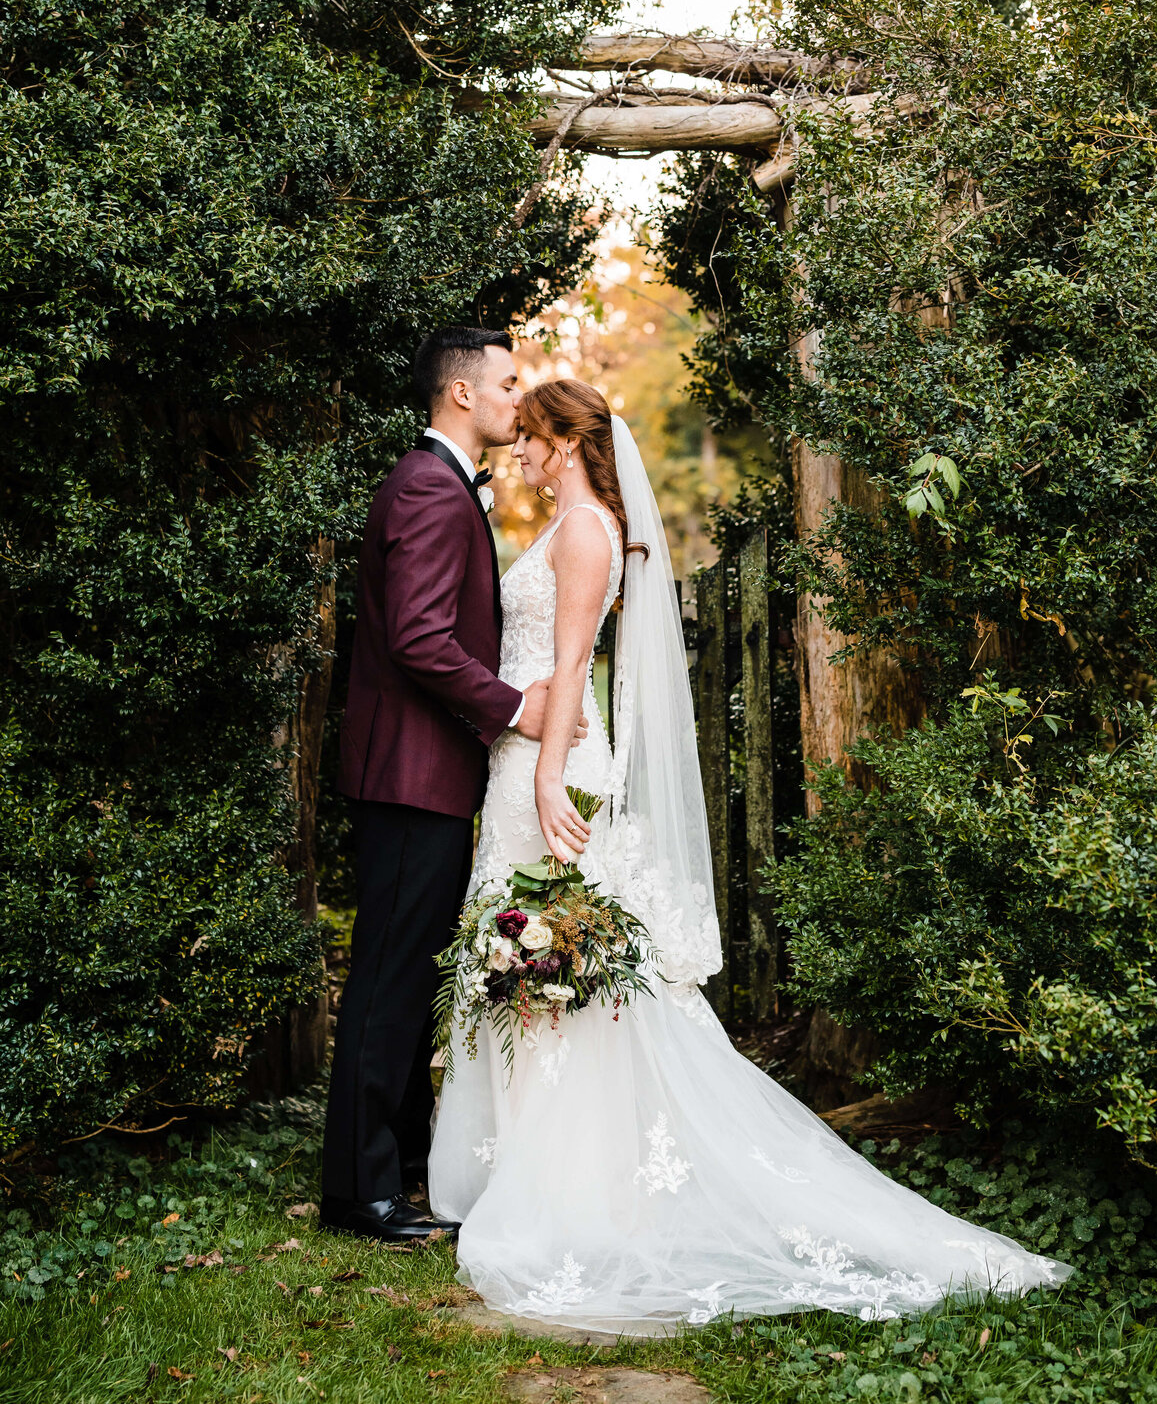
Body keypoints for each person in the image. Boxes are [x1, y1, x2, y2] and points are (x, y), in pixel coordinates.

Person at [428, 377, 1073, 1331]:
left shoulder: (584, 532)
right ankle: (539, 1172)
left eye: (527, 438)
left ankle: (569, 1194)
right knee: (547, 976)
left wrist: (550, 777)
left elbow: (568, 667)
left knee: (555, 975)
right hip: (529, 758)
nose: (516, 453)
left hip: (547, 764)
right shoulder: (583, 525)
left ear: (564, 442)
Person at [320, 328, 586, 1244]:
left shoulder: (438, 483)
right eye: (509, 384)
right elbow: (422, 640)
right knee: (389, 983)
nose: (522, 398)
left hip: (424, 774)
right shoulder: (431, 488)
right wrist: (519, 708)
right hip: (408, 776)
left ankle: (391, 1175)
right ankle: (361, 1196)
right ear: (463, 396)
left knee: (403, 977)